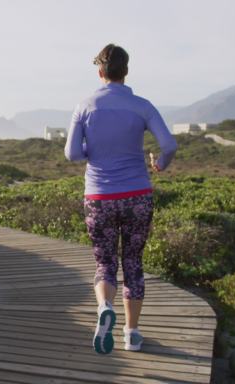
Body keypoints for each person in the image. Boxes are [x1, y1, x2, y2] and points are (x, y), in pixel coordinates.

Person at [64, 43, 177, 355]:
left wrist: (95, 152)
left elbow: (72, 153)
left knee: (105, 261)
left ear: (100, 72)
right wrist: (160, 164)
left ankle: (104, 307)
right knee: (133, 263)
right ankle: (132, 333)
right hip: (138, 196)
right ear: (125, 71)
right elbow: (168, 144)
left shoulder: (84, 106)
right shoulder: (143, 106)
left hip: (99, 197)